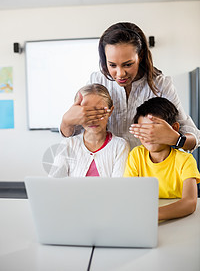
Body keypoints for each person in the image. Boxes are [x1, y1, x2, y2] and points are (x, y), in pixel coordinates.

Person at [60, 22, 200, 151]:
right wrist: (67, 122)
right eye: (112, 65)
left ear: (141, 55)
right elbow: (76, 134)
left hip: (146, 171)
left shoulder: (161, 85)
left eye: (128, 64)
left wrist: (176, 139)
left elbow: (194, 136)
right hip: (109, 168)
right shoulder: (97, 81)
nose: (120, 74)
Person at [123, 97, 200, 221]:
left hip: (179, 220)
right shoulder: (136, 155)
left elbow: (190, 202)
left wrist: (152, 214)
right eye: (144, 130)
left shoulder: (186, 160)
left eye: (154, 129)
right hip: (144, 217)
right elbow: (129, 194)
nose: (149, 135)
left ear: (174, 129)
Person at [49, 84, 130, 178]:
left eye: (99, 111)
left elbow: (118, 187)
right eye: (87, 113)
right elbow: (54, 184)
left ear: (110, 111)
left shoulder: (120, 146)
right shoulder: (68, 145)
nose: (93, 119)